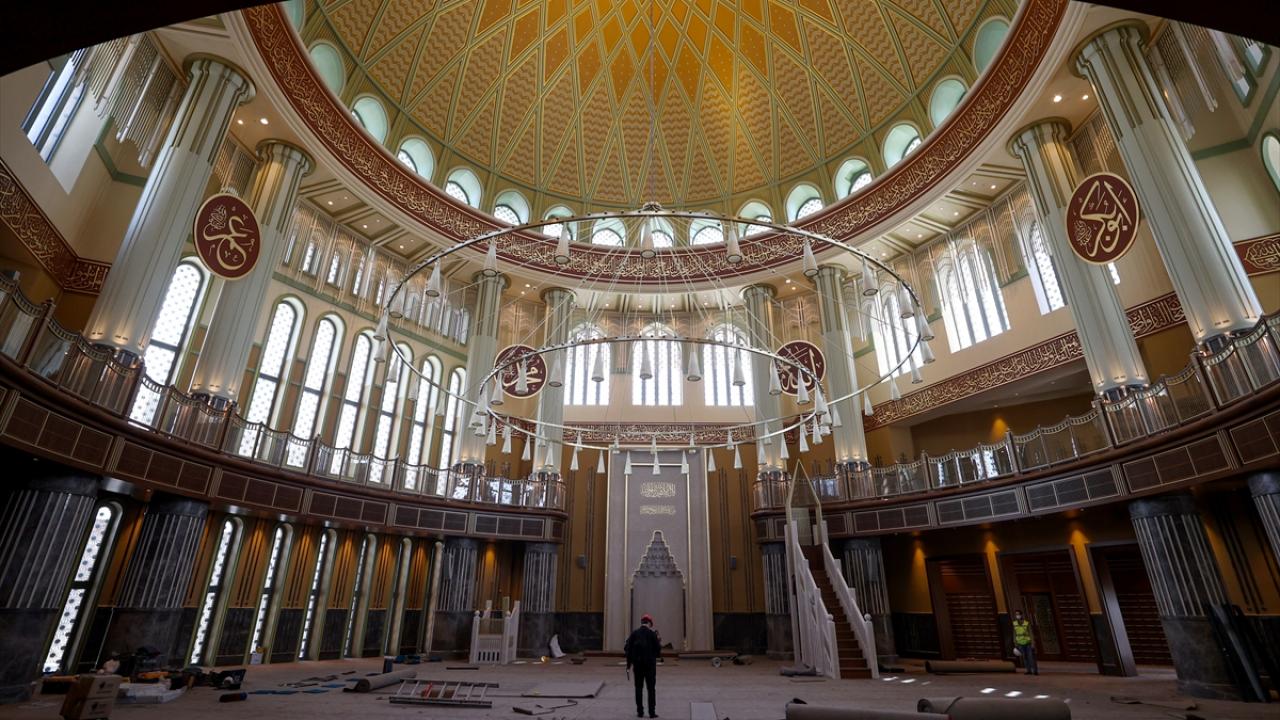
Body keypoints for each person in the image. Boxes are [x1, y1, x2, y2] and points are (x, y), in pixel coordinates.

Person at [625, 614, 662, 718]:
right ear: (649, 623)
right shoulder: (652, 634)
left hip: (637, 666)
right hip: (650, 667)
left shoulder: (634, 633)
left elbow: (628, 650)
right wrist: (658, 642)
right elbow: (658, 652)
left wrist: (628, 665)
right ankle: (652, 712)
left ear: (641, 622)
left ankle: (640, 712)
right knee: (651, 689)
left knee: (638, 688)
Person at [1012, 609, 1038, 675]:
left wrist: (1033, 643)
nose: (1017, 615)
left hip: (1028, 642)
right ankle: (1028, 670)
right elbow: (1014, 633)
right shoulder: (1014, 623)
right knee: (1025, 657)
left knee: (1031, 657)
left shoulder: (1026, 623)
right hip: (1020, 643)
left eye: (1018, 614)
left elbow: (1031, 633)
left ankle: (1035, 670)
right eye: (1016, 614)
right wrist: (1015, 642)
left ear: (1021, 615)